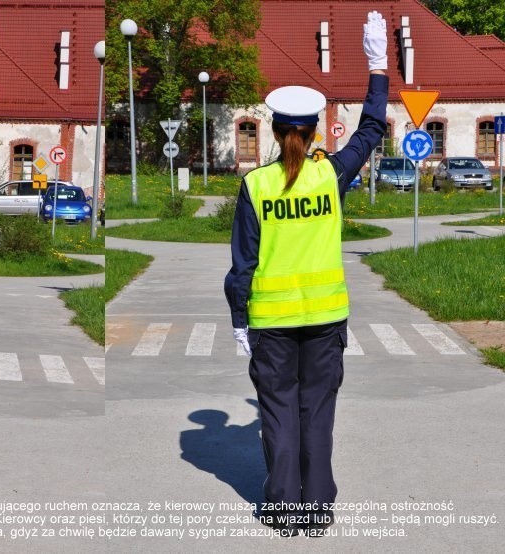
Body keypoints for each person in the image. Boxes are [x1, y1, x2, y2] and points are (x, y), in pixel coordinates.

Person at [224, 11, 389, 536]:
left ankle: (283, 510)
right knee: (316, 413)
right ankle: (316, 512)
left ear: (274, 130)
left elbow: (242, 265)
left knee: (277, 413)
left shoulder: (255, 187)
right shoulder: (332, 173)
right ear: (315, 129)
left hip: (270, 323)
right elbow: (370, 128)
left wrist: (238, 320)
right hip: (324, 318)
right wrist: (378, 65)